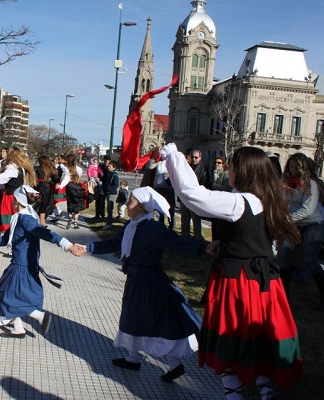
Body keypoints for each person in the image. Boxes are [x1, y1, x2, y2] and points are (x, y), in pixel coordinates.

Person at [161, 143, 303, 399]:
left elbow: (193, 195)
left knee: (231, 338)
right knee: (259, 338)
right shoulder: (270, 199)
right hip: (266, 282)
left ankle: (235, 394)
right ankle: (264, 390)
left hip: (238, 280)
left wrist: (173, 155)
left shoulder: (237, 202)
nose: (229, 170)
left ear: (243, 171)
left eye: (232, 166)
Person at [84, 187, 212, 382]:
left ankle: (173, 363)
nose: (127, 205)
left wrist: (204, 247)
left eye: (131, 202)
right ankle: (134, 358)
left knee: (151, 320)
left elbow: (177, 243)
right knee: (132, 317)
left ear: (143, 207)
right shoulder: (131, 225)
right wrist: (87, 247)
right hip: (136, 278)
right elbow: (113, 244)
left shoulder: (153, 228)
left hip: (149, 281)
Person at [0, 185, 85, 337]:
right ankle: (19, 329)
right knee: (14, 295)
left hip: (22, 265)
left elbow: (46, 233)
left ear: (17, 201)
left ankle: (40, 316)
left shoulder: (26, 220)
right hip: (19, 263)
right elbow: (5, 238)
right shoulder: (18, 218)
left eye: (12, 199)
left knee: (9, 296)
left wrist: (68, 246)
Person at [277, 152, 324, 311]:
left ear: (303, 168)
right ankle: (283, 298)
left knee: (310, 259)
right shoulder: (285, 182)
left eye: (296, 167)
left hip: (313, 222)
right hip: (292, 222)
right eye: (290, 166)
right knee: (283, 256)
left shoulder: (310, 184)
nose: (293, 170)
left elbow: (308, 210)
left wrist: (286, 219)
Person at [0, 147, 36, 234]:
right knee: (13, 218)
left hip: (10, 197)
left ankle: (1, 237)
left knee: (4, 219)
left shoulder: (13, 168)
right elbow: (9, 182)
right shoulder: (21, 169)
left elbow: (4, 177)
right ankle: (3, 236)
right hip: (17, 196)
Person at [180, 149, 211, 240]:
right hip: (186, 196)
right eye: (192, 157)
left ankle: (197, 238)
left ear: (200, 158)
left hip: (196, 197)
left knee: (196, 220)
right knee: (185, 218)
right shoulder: (187, 167)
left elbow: (205, 182)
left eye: (196, 157)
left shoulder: (203, 168)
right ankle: (185, 236)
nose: (194, 159)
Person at [151, 160, 176, 229]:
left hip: (170, 189)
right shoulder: (158, 161)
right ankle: (160, 225)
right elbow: (150, 166)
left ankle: (172, 226)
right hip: (158, 187)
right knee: (159, 208)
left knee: (170, 209)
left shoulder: (173, 161)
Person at [34, 155, 58, 228]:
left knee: (40, 204)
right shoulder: (50, 169)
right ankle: (43, 222)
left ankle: (41, 222)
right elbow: (56, 180)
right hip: (47, 188)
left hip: (39, 187)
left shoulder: (37, 168)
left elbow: (32, 177)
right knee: (46, 205)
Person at [63, 153, 85, 229]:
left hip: (69, 187)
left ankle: (69, 219)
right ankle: (75, 223)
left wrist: (61, 185)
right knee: (77, 205)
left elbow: (66, 178)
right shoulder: (79, 169)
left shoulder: (66, 169)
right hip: (77, 186)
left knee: (70, 203)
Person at [50, 155, 69, 222]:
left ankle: (58, 213)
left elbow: (66, 174)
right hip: (51, 184)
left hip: (56, 185)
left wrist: (61, 183)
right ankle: (58, 213)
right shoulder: (52, 166)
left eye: (56, 159)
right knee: (52, 201)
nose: (54, 160)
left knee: (53, 201)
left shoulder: (61, 167)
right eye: (54, 159)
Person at [103, 160, 120, 230]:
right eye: (108, 166)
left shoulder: (114, 175)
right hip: (108, 193)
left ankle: (109, 224)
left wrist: (109, 189)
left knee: (110, 209)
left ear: (114, 167)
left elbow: (116, 185)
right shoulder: (109, 173)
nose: (108, 167)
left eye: (110, 166)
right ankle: (108, 221)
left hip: (112, 194)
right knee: (108, 209)